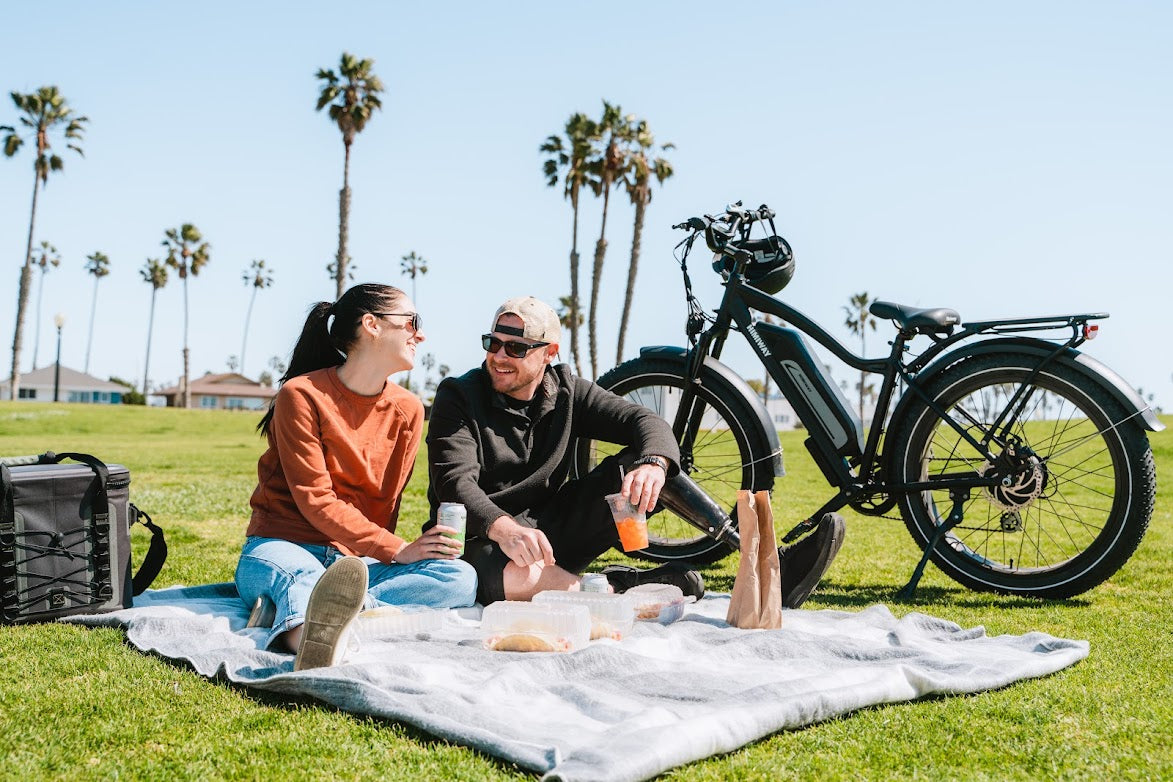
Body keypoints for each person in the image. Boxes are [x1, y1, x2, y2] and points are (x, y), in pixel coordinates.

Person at [426, 295, 844, 607]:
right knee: (518, 576)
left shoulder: (568, 390)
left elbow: (648, 423)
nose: (498, 356)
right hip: (479, 537)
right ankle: (628, 586)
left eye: (515, 348)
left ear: (549, 354)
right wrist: (506, 530)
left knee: (644, 463)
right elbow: (453, 484)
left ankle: (768, 564)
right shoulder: (458, 396)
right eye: (492, 343)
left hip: (550, 530)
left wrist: (654, 465)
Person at [235, 283, 477, 671]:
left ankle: (331, 614)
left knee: (459, 578)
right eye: (412, 322)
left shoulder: (409, 409)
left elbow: (388, 502)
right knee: (303, 577)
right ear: (372, 325)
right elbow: (315, 499)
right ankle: (309, 637)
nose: (421, 333)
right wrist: (395, 549)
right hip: (284, 545)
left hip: (354, 565)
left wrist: (388, 554)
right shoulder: (301, 395)